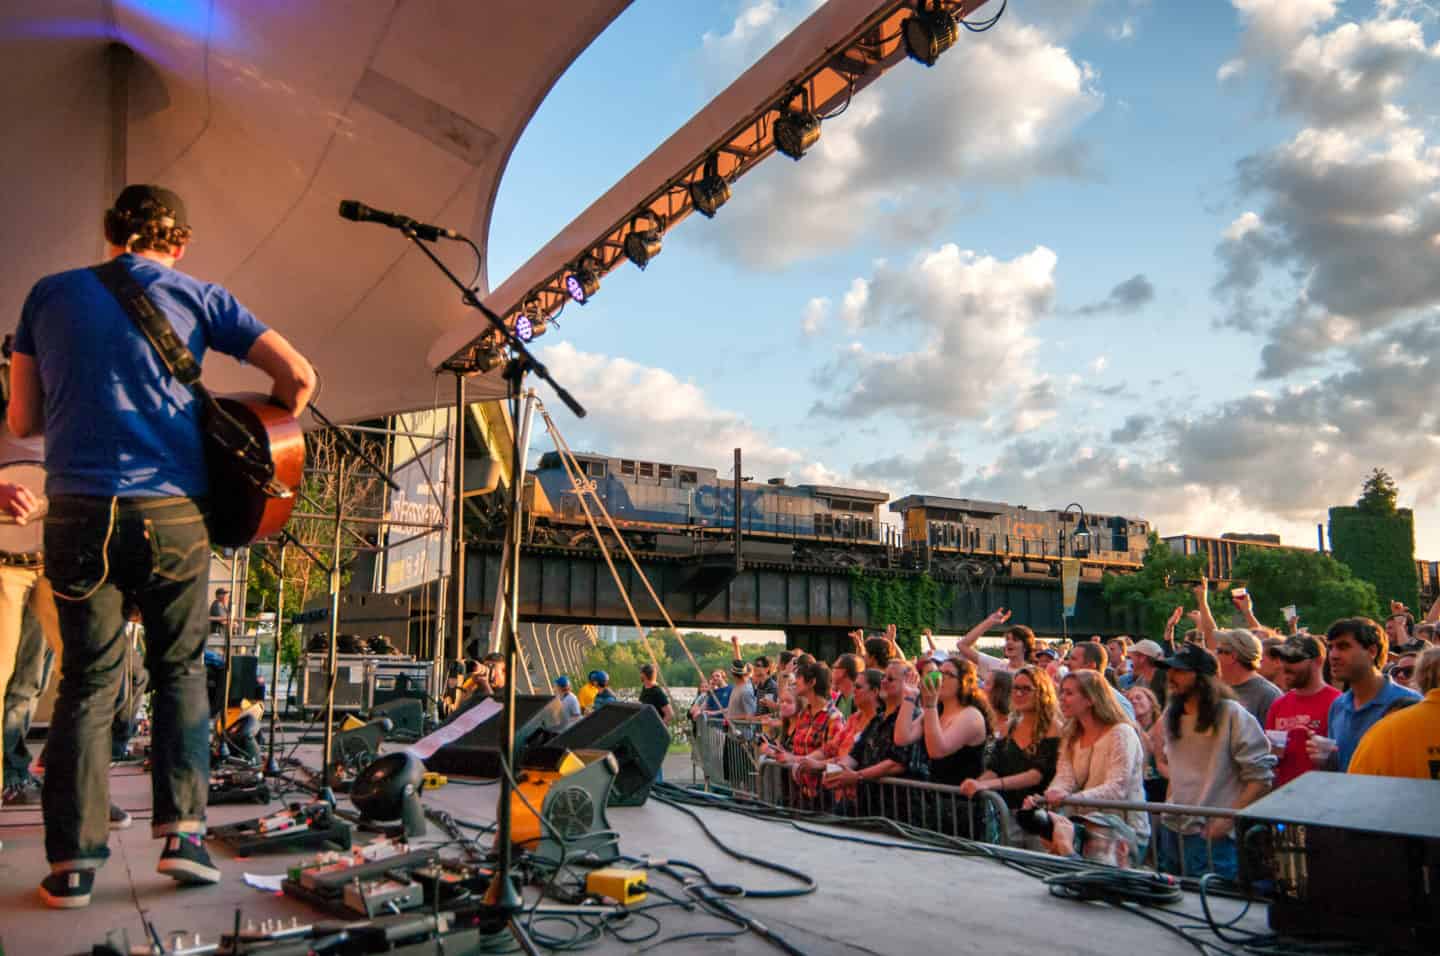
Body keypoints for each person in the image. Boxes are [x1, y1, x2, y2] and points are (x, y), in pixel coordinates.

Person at [11, 184, 315, 908]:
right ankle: (183, 837)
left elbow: (23, 418)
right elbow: (300, 376)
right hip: (173, 511)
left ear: (109, 232)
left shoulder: (46, 296)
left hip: (79, 511)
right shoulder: (202, 296)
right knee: (179, 669)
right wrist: (269, 429)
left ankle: (71, 868)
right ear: (177, 243)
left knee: (86, 680)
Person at [1155, 644, 1274, 879]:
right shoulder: (1171, 714)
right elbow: (1178, 771)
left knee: (1213, 908)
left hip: (1211, 837)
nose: (1171, 676)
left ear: (1202, 678)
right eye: (1170, 670)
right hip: (1174, 830)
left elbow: (1261, 779)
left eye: (1180, 671)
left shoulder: (1231, 713)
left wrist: (1227, 820)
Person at [1025, 670, 1149, 855]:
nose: (1062, 698)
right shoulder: (1071, 735)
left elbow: (1117, 787)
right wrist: (1048, 797)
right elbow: (1065, 778)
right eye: (1062, 692)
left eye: (1069, 693)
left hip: (1123, 834)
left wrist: (1070, 799)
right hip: (1087, 830)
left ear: (1090, 699)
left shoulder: (1121, 733)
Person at [960, 665, 1061, 842]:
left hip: (1040, 816)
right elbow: (995, 767)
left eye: (1026, 689)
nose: (1019, 694)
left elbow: (1036, 775)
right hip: (1008, 814)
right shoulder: (1009, 727)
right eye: (1016, 688)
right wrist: (976, 783)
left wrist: (989, 785)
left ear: (1042, 692)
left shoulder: (1053, 728)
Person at [1309, 617, 1420, 772]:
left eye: (1343, 646)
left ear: (1372, 651)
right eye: (1331, 647)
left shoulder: (1411, 705)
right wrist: (1327, 759)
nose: (1333, 655)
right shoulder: (1338, 706)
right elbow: (1343, 769)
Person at [822, 660, 928, 813]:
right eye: (884, 677)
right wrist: (835, 771)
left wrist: (857, 776)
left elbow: (896, 763)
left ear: (908, 683)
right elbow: (855, 754)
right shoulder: (878, 719)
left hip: (898, 810)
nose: (883, 682)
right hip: (869, 805)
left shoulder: (913, 717)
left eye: (890, 679)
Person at [1348, 647, 1440, 779]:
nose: (1401, 675)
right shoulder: (1387, 729)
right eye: (1396, 671)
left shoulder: (1385, 731)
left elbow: (1356, 788)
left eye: (1409, 672)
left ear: (1419, 679)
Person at [1264, 634, 1341, 790]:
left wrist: (1329, 757)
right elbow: (1270, 758)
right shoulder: (1279, 704)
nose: (1285, 666)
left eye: (1293, 660)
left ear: (1318, 661)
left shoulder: (1338, 703)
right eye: (1283, 659)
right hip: (1283, 799)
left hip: (1323, 799)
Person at [769, 659, 841, 808]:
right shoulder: (804, 715)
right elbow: (797, 750)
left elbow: (835, 757)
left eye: (799, 679)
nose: (795, 683)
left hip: (823, 797)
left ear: (812, 682)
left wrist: (794, 759)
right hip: (799, 794)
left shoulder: (833, 718)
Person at [1213, 629, 1282, 726]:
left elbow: (1270, 739)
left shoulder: (1268, 695)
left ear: (1233, 656)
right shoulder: (1216, 689)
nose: (1214, 655)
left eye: (1219, 651)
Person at [954, 609, 1035, 677]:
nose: (1009, 643)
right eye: (1007, 639)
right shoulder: (995, 665)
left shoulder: (1033, 672)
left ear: (1026, 646)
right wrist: (989, 622)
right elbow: (962, 645)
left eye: (1015, 640)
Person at [1066, 640, 1136, 719]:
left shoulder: (1117, 703)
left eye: (1073, 659)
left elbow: (1128, 729)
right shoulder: (1074, 697)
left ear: (1091, 666)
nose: (1067, 663)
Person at [1126, 685, 1168, 802]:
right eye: (1130, 700)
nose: (1134, 701)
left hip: (1161, 782)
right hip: (1140, 783)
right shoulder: (1127, 729)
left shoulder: (1163, 724)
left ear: (1151, 701)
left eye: (1138, 698)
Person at [1126, 639, 1168, 710]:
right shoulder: (1142, 678)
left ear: (1142, 658)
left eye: (1131, 657)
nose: (1130, 662)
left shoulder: (1165, 678)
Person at [830, 653, 861, 718]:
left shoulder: (859, 700)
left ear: (843, 672)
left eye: (834, 667)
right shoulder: (838, 699)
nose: (831, 671)